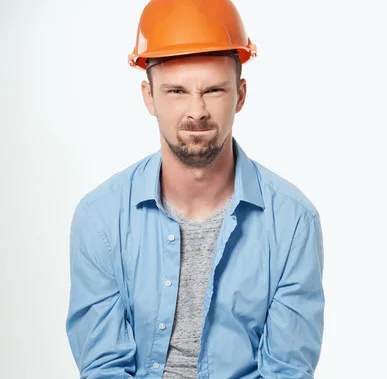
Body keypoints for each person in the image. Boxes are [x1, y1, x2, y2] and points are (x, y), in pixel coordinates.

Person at [65, 0, 325, 378]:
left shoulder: (293, 222)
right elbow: (104, 365)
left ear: (241, 95)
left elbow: (286, 370)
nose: (197, 111)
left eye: (214, 90)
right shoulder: (100, 218)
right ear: (148, 97)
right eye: (176, 92)